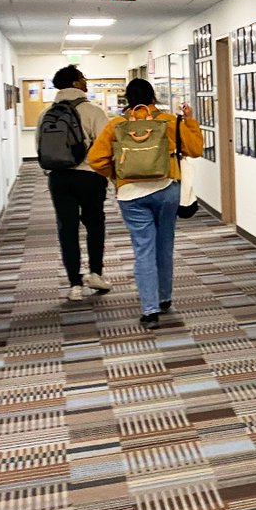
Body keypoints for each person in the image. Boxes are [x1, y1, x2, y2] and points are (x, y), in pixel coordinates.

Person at [88, 78, 202, 325]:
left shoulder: (115, 125)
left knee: (143, 250)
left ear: (128, 100)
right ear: (153, 98)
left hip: (131, 195)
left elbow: (96, 160)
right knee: (165, 245)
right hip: (167, 189)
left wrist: (119, 175)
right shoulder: (170, 121)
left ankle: (150, 310)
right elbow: (195, 149)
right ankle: (164, 298)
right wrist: (189, 121)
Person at [39, 66, 111, 302]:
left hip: (59, 178)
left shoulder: (45, 114)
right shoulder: (93, 112)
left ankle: (74, 284)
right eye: (83, 78)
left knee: (67, 230)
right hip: (90, 176)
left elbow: (40, 149)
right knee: (94, 225)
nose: (86, 81)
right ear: (75, 83)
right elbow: (106, 147)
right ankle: (96, 274)